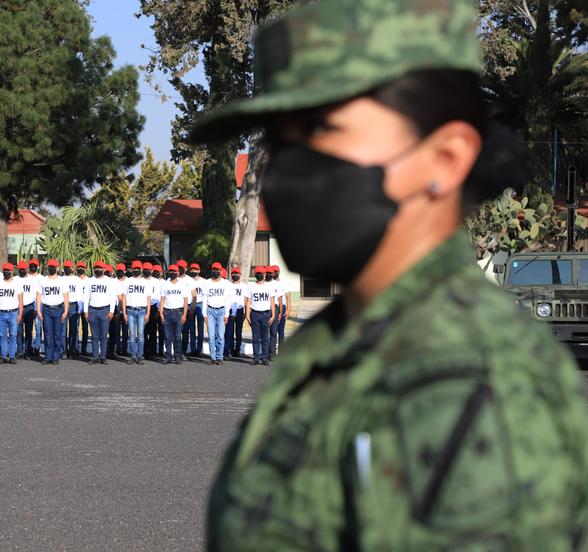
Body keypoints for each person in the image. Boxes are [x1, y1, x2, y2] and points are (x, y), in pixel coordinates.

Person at [191, 1, 588, 548]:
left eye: (322, 128)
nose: (285, 169)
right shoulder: (352, 336)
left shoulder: (467, 378)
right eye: (278, 141)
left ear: (446, 158)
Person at [37, 259, 69, 365]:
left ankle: (55, 357)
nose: (51, 268)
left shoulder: (62, 280)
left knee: (57, 334)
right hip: (46, 309)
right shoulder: (42, 280)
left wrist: (65, 311)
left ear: (57, 268)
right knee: (47, 334)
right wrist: (38, 310)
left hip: (58, 309)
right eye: (49, 266)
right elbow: (39, 296)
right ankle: (48, 357)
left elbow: (66, 297)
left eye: (53, 267)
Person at [84, 260, 117, 365]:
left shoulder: (109, 281)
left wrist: (111, 311)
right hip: (92, 310)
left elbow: (112, 297)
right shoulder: (89, 280)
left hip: (105, 309)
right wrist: (85, 311)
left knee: (103, 335)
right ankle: (95, 357)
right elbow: (86, 296)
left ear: (104, 269)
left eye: (100, 268)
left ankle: (103, 357)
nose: (97, 269)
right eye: (96, 268)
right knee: (94, 335)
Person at [0, 262, 23, 364]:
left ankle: (12, 356)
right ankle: (4, 356)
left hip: (13, 312)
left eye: (8, 270)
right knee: (2, 336)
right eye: (4, 270)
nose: (6, 272)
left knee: (13, 335)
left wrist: (20, 314)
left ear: (12, 271)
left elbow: (21, 300)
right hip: (0, 313)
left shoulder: (17, 284)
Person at [244, 266, 274, 366]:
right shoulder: (251, 286)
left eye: (261, 273)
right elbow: (248, 301)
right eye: (257, 273)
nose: (259, 275)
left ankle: (264, 358)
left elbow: (272, 302)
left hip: (266, 314)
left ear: (265, 274)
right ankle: (256, 358)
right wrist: (247, 315)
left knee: (265, 337)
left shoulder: (269, 286)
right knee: (255, 338)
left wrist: (273, 315)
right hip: (255, 314)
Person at [202, 262, 231, 365]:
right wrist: (204, 314)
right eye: (213, 269)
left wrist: (227, 314)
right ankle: (212, 357)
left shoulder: (226, 283)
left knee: (220, 335)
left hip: (221, 311)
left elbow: (228, 300)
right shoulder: (207, 283)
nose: (215, 271)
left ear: (220, 271)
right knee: (211, 336)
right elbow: (204, 299)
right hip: (210, 311)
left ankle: (219, 357)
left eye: (217, 269)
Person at [124, 260, 151, 364]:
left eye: (137, 268)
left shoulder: (145, 282)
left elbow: (148, 298)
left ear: (141, 269)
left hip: (141, 310)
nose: (136, 270)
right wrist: (125, 313)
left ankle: (140, 355)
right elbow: (124, 297)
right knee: (132, 335)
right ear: (132, 269)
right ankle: (133, 355)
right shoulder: (128, 281)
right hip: (130, 310)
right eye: (134, 268)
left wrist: (148, 313)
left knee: (140, 334)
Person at [159, 264, 188, 365]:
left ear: (178, 273)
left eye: (174, 271)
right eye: (170, 271)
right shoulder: (165, 284)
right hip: (167, 312)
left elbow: (185, 300)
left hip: (178, 312)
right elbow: (162, 299)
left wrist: (184, 314)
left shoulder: (182, 285)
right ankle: (168, 356)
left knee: (177, 336)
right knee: (167, 336)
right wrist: (161, 313)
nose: (172, 273)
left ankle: (177, 356)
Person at [17, 260, 38, 360]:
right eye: (20, 269)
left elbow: (35, 295)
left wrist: (35, 308)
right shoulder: (15, 279)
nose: (21, 271)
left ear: (27, 269)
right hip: (17, 308)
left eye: (23, 269)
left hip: (29, 307)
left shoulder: (32, 280)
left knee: (29, 331)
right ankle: (20, 351)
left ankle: (28, 351)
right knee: (18, 331)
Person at [224, 267, 245, 359]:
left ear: (240, 275)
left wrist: (245, 311)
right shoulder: (229, 285)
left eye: (237, 273)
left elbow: (246, 299)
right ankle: (231, 349)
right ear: (231, 275)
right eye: (233, 273)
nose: (235, 275)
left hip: (240, 310)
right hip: (231, 310)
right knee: (230, 331)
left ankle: (237, 350)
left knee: (239, 331)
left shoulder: (244, 286)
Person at [63, 260, 82, 358]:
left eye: (68, 267)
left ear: (72, 268)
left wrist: (79, 309)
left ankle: (72, 350)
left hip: (74, 305)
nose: (66, 269)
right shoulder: (61, 279)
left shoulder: (77, 280)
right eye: (65, 267)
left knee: (73, 329)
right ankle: (64, 351)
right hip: (63, 305)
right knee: (63, 330)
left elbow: (79, 295)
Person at [265, 266, 284, 360]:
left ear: (273, 274)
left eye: (270, 273)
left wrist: (280, 312)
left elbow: (280, 299)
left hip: (275, 309)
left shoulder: (277, 284)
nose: (269, 274)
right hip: (264, 309)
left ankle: (272, 353)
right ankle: (265, 353)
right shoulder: (262, 283)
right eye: (267, 273)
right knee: (264, 333)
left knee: (273, 332)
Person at [143, 262, 161, 360]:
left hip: (153, 306)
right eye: (145, 269)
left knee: (152, 330)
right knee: (143, 331)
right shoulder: (140, 280)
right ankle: (144, 351)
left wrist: (158, 309)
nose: (146, 271)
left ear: (151, 271)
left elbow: (158, 295)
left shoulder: (156, 281)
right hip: (143, 307)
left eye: (148, 269)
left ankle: (152, 351)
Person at [272, 265, 290, 351]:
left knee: (281, 330)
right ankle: (271, 350)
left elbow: (288, 297)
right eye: (273, 272)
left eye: (276, 272)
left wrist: (288, 310)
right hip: (273, 307)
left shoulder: (283, 283)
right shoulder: (270, 283)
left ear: (278, 272)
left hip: (282, 307)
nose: (275, 273)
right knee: (273, 330)